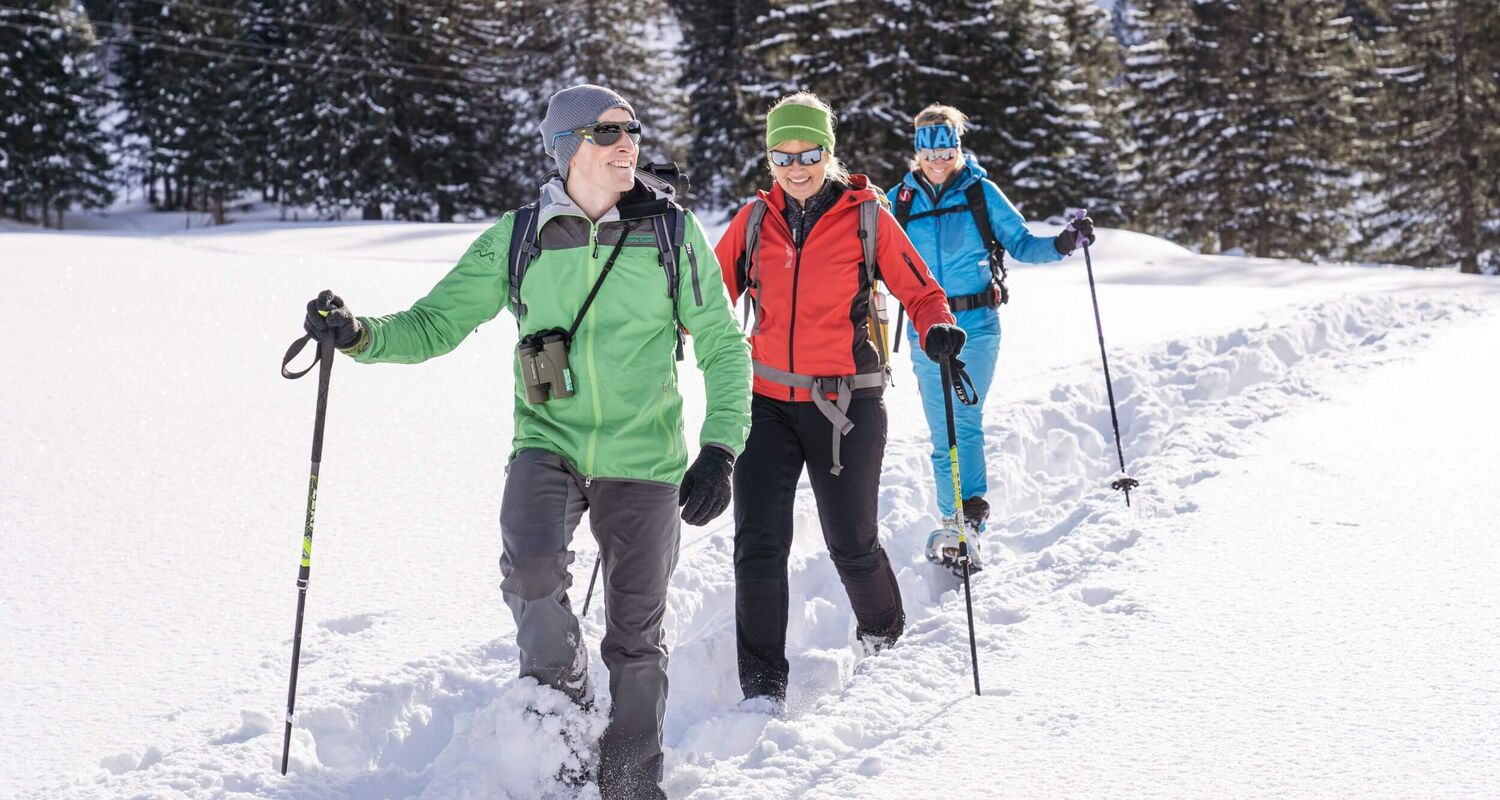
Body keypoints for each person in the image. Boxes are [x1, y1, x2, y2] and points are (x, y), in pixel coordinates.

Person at [300, 84, 751, 800]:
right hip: (549, 441)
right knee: (532, 569)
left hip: (645, 457)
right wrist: (358, 335)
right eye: (608, 133)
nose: (627, 143)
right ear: (568, 147)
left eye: (632, 129)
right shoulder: (518, 238)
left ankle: (632, 783)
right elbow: (432, 325)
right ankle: (561, 708)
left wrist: (720, 448)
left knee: (636, 636)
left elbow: (725, 347)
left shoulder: (672, 234)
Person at [714, 92, 964, 704]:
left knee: (850, 542)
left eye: (810, 152)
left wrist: (937, 327)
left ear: (829, 153)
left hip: (846, 404)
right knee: (758, 545)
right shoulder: (751, 222)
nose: (796, 166)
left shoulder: (866, 216)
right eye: (783, 154)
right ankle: (763, 684)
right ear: (769, 157)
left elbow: (921, 290)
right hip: (765, 403)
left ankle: (884, 639)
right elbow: (704, 294)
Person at [887, 103, 1095, 569]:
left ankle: (971, 516)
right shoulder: (900, 200)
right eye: (928, 147)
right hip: (926, 329)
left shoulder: (980, 191)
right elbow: (873, 253)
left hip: (976, 325)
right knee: (942, 432)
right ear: (916, 149)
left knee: (964, 415)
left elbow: (1021, 243)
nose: (937, 158)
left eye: (946, 146)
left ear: (958, 147)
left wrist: (1064, 243)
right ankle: (953, 521)